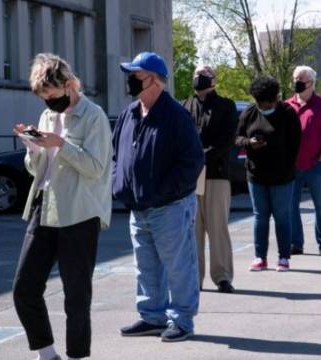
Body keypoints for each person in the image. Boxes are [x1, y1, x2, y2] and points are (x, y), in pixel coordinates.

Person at [12, 53, 113, 360]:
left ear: (69, 85)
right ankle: (47, 354)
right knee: (24, 289)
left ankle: (77, 356)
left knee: (76, 296)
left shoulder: (93, 115)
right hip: (45, 206)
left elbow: (96, 167)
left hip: (80, 213)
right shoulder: (45, 117)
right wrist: (33, 148)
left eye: (52, 96)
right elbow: (37, 168)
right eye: (44, 98)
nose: (48, 103)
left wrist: (60, 144)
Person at [113, 52, 204, 342]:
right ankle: (152, 316)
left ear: (152, 79)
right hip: (138, 208)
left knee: (179, 266)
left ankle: (182, 320)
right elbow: (117, 154)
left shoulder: (176, 115)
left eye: (135, 75)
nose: (129, 80)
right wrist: (119, 184)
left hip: (170, 207)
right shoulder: (129, 113)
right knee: (146, 266)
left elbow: (192, 162)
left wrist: (163, 191)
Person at [235, 76, 301, 272]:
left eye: (266, 104)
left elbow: (295, 145)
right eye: (259, 103)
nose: (263, 107)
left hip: (282, 176)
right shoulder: (249, 112)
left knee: (281, 216)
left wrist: (288, 168)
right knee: (260, 217)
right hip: (256, 175)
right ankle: (260, 257)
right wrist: (249, 143)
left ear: (275, 99)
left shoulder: (288, 113)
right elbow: (237, 137)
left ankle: (283, 257)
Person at [182, 65, 238, 293]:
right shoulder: (184, 106)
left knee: (218, 228)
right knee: (193, 230)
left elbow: (227, 140)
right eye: (196, 74)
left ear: (214, 80)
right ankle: (195, 278)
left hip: (216, 172)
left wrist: (201, 155)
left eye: (203, 75)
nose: (198, 78)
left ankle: (222, 276)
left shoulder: (226, 106)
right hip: (191, 177)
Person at [285, 65, 321, 257]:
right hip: (291, 166)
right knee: (291, 206)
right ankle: (295, 244)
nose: (297, 83)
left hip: (315, 165)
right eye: (295, 79)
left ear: (311, 83)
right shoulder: (286, 105)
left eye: (301, 80)